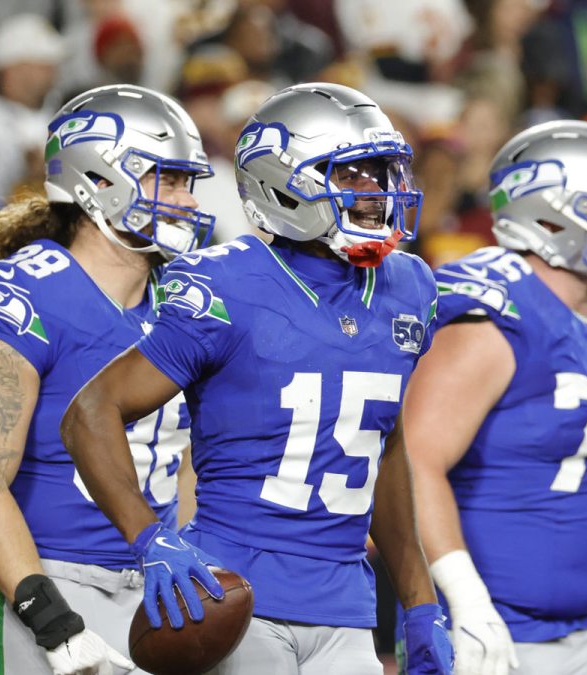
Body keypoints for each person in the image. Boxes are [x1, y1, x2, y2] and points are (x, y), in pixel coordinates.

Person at [61, 82, 453, 675]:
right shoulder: (228, 285)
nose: (376, 192)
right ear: (283, 183)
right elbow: (90, 413)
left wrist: (421, 602)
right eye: (351, 174)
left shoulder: (409, 286)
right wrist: (150, 540)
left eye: (382, 172)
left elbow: (381, 439)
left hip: (346, 606)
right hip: (235, 600)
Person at [0, 83, 216, 675]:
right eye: (167, 180)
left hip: (156, 586)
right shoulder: (29, 293)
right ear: (96, 178)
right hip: (50, 577)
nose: (187, 201)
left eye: (187, 182)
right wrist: (51, 620)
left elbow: (185, 461)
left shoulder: (184, 298)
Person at [404, 119, 587, 675]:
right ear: (548, 215)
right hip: (491, 627)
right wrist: (465, 599)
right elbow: (414, 462)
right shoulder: (493, 314)